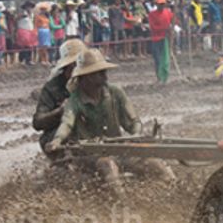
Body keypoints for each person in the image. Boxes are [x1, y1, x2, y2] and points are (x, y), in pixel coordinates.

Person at [46, 48, 175, 193]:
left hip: (118, 149)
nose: (105, 76)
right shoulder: (74, 101)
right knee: (108, 165)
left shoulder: (116, 93)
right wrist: (57, 140)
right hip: (89, 155)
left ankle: (170, 197)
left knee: (155, 165)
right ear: (87, 77)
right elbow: (67, 123)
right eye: (100, 73)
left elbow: (133, 121)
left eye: (104, 72)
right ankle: (121, 205)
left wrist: (135, 136)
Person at [33, 39, 86, 158]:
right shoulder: (52, 88)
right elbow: (38, 122)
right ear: (69, 65)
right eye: (77, 63)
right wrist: (60, 111)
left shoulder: (92, 81)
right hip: (60, 134)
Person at [148, 0, 172, 84]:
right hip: (156, 39)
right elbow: (153, 27)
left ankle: (165, 77)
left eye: (163, 4)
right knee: (157, 59)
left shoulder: (168, 12)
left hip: (165, 39)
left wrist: (172, 27)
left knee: (165, 59)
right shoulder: (152, 14)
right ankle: (159, 77)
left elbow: (174, 20)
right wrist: (165, 28)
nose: (161, 5)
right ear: (156, 4)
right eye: (159, 4)